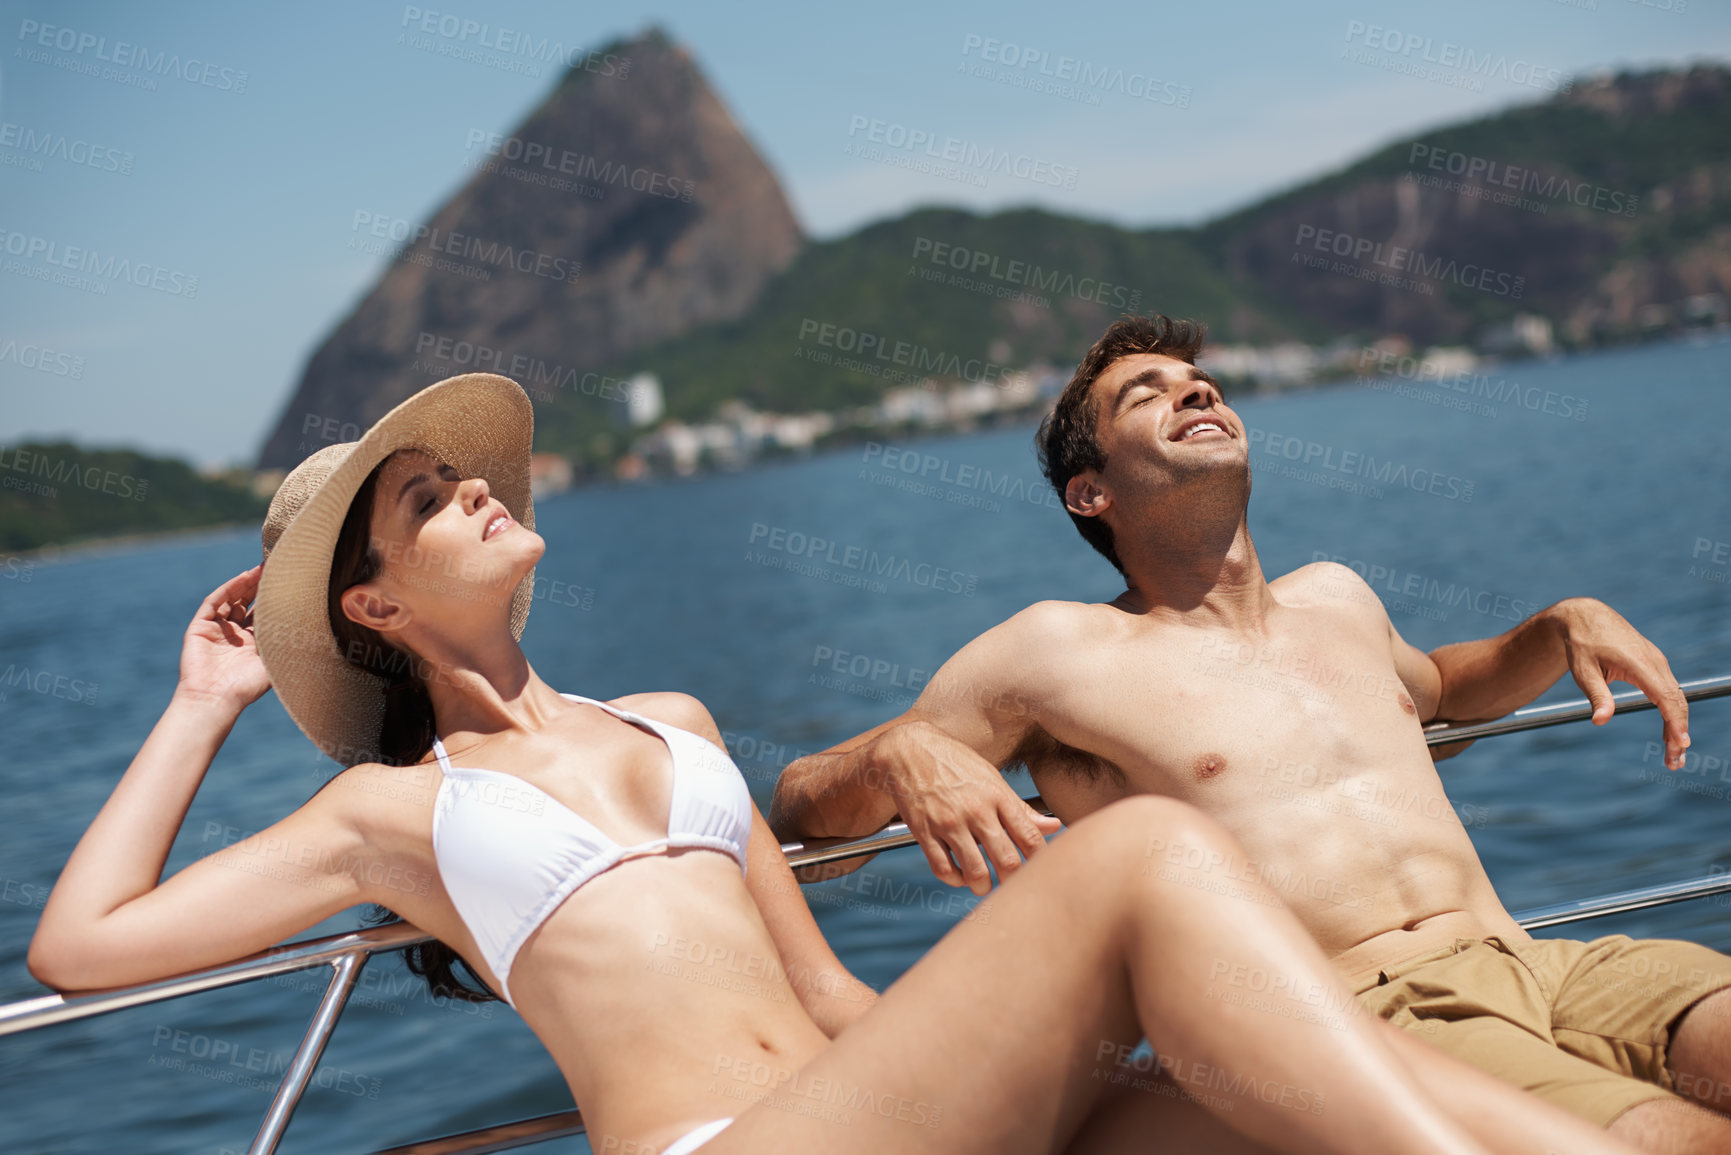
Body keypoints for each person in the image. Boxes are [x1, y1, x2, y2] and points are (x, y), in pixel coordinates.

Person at [28, 373, 1635, 1155]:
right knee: (1141, 857)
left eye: (466, 477)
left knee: (1241, 1118)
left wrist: (1085, 1080)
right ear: (374, 604)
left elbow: (828, 995)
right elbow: (77, 947)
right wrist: (201, 700)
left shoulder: (675, 724)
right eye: (430, 501)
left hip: (863, 1106)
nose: (473, 496)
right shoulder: (386, 812)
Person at [770, 313, 1731, 1153]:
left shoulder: (1338, 598)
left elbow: (1440, 688)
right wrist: (901, 753)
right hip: (1367, 1015)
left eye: (1202, 383)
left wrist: (1556, 623)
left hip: (1545, 958)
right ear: (1089, 492)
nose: (1193, 389)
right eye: (1145, 395)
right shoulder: (1053, 652)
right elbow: (805, 813)